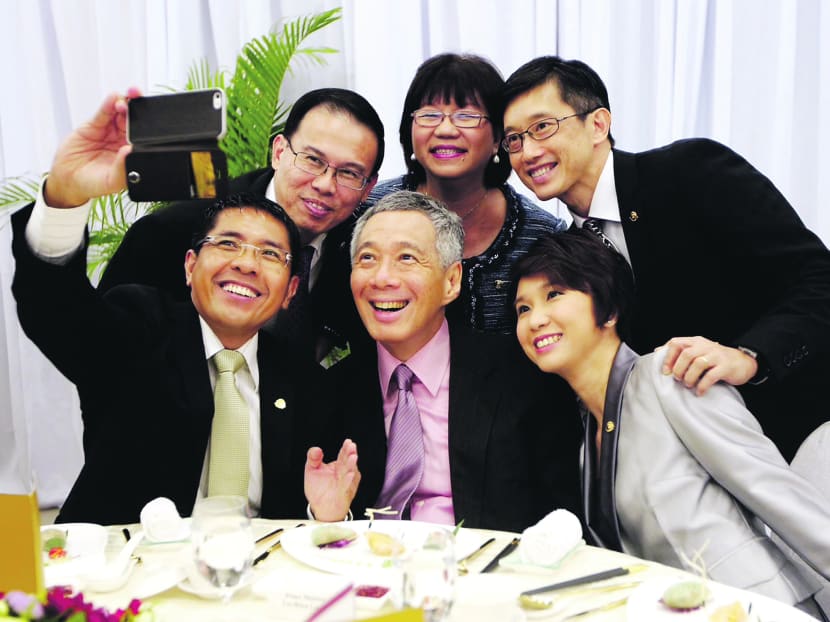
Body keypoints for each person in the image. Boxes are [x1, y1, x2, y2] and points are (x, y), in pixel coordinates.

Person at [11, 91, 358, 525]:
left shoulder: (304, 383)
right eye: (228, 244)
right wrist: (66, 194)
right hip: (124, 560)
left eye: (270, 254)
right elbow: (55, 309)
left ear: (291, 290)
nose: (247, 264)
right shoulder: (139, 332)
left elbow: (298, 507)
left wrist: (321, 513)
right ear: (190, 265)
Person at [502, 56, 830, 460]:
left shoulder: (689, 171)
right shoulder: (566, 253)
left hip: (796, 435)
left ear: (598, 124)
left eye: (542, 127)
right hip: (684, 464)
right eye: (513, 139)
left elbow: (818, 279)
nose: (528, 151)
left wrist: (749, 357)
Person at [512, 229, 830, 618]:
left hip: (758, 608)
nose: (535, 319)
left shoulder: (670, 375)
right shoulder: (585, 445)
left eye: (554, 295)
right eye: (522, 309)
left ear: (609, 311)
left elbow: (777, 493)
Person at [306, 190, 581, 532]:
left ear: (452, 281)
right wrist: (329, 519)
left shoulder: (523, 378)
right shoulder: (330, 389)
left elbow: (562, 519)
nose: (382, 277)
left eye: (407, 258)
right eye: (367, 258)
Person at [100, 87, 386, 364]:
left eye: (349, 173)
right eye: (312, 160)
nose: (325, 185)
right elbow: (100, 344)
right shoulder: (174, 231)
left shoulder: (365, 251)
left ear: (368, 187)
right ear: (278, 152)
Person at [365, 53, 566, 333]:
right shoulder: (370, 211)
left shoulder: (541, 235)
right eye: (430, 115)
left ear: (498, 138)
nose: (445, 129)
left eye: (467, 116)